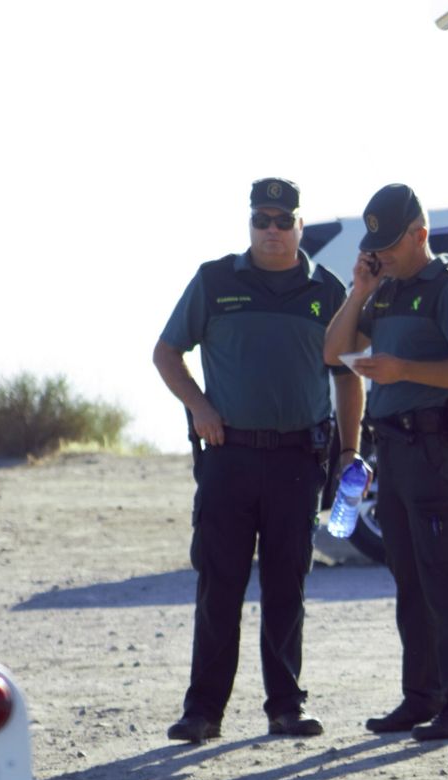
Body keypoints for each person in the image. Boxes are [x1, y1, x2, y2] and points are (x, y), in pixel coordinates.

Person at [155, 178, 355, 744]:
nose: (271, 229)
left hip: (299, 459)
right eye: (261, 219)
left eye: (282, 220)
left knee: (287, 584)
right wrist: (199, 408)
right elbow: (166, 351)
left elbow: (347, 377)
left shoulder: (326, 291)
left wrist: (349, 451)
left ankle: (286, 707)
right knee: (220, 584)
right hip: (228, 457)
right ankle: (203, 713)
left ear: (298, 225)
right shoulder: (216, 281)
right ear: (251, 224)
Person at [322, 183, 448, 742]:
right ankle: (423, 695)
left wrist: (403, 371)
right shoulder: (386, 288)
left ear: (420, 234)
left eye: (390, 245)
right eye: (375, 245)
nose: (383, 254)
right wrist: (359, 289)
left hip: (434, 446)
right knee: (410, 577)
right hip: (392, 448)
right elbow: (335, 353)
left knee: (446, 575)